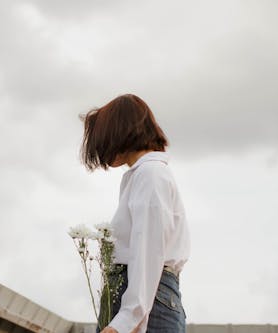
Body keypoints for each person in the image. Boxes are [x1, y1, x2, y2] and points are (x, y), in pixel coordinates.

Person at [80, 94, 191, 333]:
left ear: (119, 133)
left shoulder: (149, 174)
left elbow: (148, 250)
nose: (103, 152)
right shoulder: (146, 174)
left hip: (144, 298)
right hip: (147, 296)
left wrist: (126, 320)